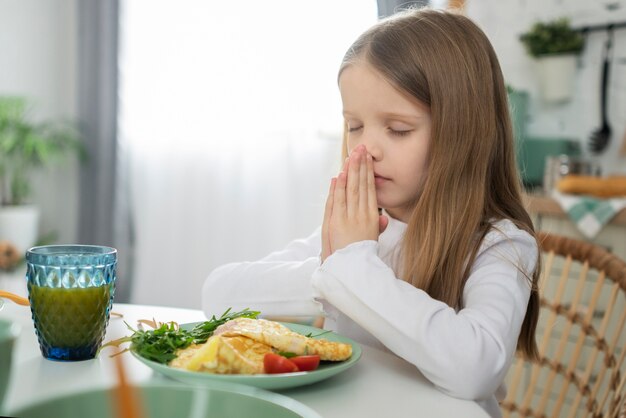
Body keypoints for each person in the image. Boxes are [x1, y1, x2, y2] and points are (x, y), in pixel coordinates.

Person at [202, 7, 540, 418]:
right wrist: (335, 269)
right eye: (354, 125)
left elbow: (474, 368)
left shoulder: (501, 244)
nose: (366, 149)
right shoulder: (361, 231)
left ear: (463, 134)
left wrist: (352, 269)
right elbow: (219, 295)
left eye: (398, 129)